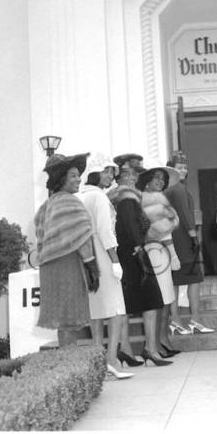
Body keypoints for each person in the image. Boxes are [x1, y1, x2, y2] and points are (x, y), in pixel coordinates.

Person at [78, 154, 136, 378]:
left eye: (112, 171)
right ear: (95, 173)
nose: (111, 175)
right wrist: (115, 261)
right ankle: (111, 359)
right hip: (102, 253)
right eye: (106, 171)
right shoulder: (99, 197)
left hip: (88, 254)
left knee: (96, 310)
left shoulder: (81, 195)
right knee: (116, 309)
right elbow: (105, 231)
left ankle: (98, 359)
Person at [34, 153, 99, 349]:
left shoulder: (48, 204)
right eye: (73, 176)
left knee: (62, 323)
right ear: (61, 178)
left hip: (50, 269)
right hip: (67, 265)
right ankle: (71, 364)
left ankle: (67, 363)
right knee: (70, 320)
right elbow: (82, 239)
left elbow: (40, 238)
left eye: (79, 175)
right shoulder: (70, 201)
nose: (79, 179)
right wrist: (92, 266)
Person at [113, 165, 172, 366]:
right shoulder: (127, 199)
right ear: (122, 178)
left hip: (129, 252)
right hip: (134, 253)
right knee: (151, 300)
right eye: (130, 174)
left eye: (135, 174)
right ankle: (148, 350)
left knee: (130, 304)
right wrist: (139, 246)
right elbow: (131, 225)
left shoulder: (127, 197)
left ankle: (128, 350)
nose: (134, 177)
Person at [164, 151, 215, 335]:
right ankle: (195, 319)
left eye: (185, 167)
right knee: (194, 279)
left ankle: (176, 319)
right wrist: (194, 236)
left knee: (176, 281)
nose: (183, 170)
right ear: (171, 169)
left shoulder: (168, 188)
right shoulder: (178, 188)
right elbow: (186, 214)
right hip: (184, 239)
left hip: (173, 239)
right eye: (179, 167)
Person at [137, 160, 183, 358]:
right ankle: (156, 344)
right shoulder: (153, 199)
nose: (160, 181)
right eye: (156, 177)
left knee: (164, 301)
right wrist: (173, 255)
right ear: (147, 181)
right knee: (161, 301)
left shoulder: (150, 198)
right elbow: (162, 231)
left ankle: (161, 341)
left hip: (156, 251)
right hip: (157, 252)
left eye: (162, 179)